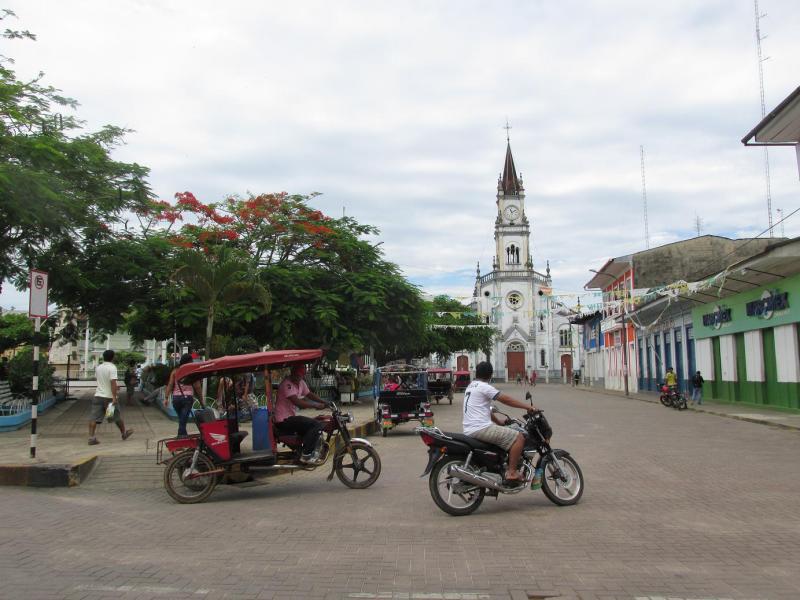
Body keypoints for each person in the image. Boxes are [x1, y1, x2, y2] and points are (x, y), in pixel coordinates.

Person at [463, 361, 538, 483]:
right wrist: (528, 407)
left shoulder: (471, 386)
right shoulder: (484, 387)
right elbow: (506, 400)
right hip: (481, 428)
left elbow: (485, 409)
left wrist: (498, 422)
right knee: (519, 437)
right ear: (490, 374)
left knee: (505, 435)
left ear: (477, 373)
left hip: (471, 428)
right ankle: (512, 473)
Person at [274, 364, 327, 463]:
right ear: (292, 373)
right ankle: (306, 454)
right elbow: (297, 402)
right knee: (316, 425)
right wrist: (315, 406)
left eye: (300, 376)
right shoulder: (287, 384)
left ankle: (305, 450)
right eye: (296, 375)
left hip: (291, 418)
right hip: (283, 420)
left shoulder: (301, 382)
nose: (298, 378)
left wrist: (324, 402)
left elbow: (309, 394)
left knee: (313, 426)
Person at [88, 349, 133, 445]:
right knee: (115, 417)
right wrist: (114, 397)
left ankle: (91, 438)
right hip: (108, 398)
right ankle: (124, 434)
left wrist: (114, 387)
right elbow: (112, 382)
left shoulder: (98, 367)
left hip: (98, 396)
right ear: (113, 357)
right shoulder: (112, 367)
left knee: (94, 418)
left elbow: (102, 381)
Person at [164, 354, 204, 437]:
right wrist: (201, 401)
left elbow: (170, 384)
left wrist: (166, 398)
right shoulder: (192, 371)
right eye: (191, 361)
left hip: (176, 399)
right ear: (189, 361)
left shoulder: (175, 371)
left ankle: (183, 437)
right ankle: (181, 437)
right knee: (183, 420)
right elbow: (197, 387)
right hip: (187, 399)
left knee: (182, 419)